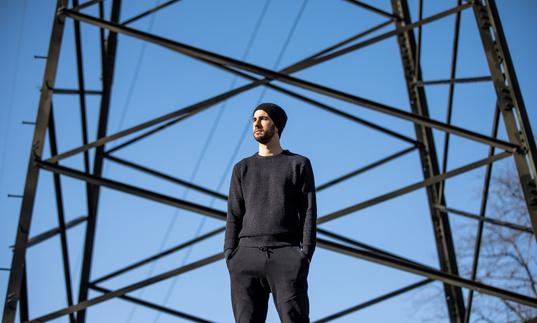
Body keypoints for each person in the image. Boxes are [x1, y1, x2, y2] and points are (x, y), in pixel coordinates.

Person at [224, 102, 317, 323]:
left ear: (277, 125)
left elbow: (309, 212)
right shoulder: (242, 168)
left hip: (286, 254)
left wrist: (304, 255)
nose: (257, 123)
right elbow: (234, 215)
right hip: (245, 257)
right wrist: (230, 254)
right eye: (254, 119)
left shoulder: (298, 164)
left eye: (263, 118)